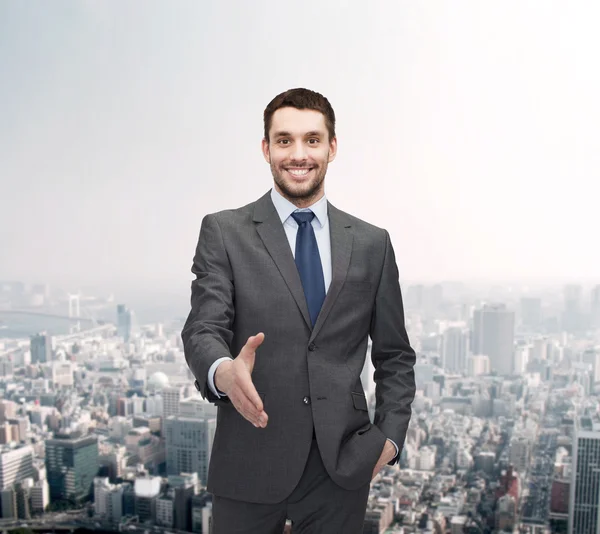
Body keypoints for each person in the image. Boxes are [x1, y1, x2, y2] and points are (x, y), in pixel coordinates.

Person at [181, 88, 416, 533]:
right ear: (267, 149)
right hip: (248, 462)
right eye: (284, 140)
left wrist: (389, 439)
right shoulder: (224, 232)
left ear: (332, 147)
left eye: (312, 139)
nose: (299, 154)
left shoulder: (371, 243)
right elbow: (203, 328)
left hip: (341, 468)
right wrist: (224, 373)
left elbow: (395, 355)